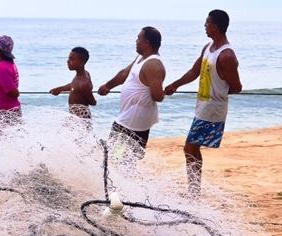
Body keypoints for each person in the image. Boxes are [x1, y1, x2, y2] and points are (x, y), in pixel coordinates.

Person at [165, 9, 242, 195]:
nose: (205, 26)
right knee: (192, 147)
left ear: (215, 27)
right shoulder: (208, 48)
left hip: (213, 109)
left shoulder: (227, 56)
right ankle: (194, 190)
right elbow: (194, 71)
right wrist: (175, 85)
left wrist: (220, 92)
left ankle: (193, 191)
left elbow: (237, 87)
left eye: (207, 23)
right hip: (202, 106)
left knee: (189, 147)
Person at [98, 27, 166, 159]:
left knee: (118, 154)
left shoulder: (153, 64)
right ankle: (118, 176)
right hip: (129, 115)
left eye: (138, 38)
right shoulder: (141, 58)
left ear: (146, 43)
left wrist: (163, 91)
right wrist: (108, 86)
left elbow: (157, 96)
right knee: (122, 154)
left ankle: (117, 177)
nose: (136, 41)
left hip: (134, 119)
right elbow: (124, 73)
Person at [49, 47, 97, 122]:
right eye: (68, 58)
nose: (68, 61)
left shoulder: (84, 83)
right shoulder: (81, 76)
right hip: (73, 115)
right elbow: (73, 85)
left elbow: (93, 102)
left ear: (81, 62)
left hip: (81, 117)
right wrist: (60, 89)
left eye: (72, 59)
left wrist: (87, 92)